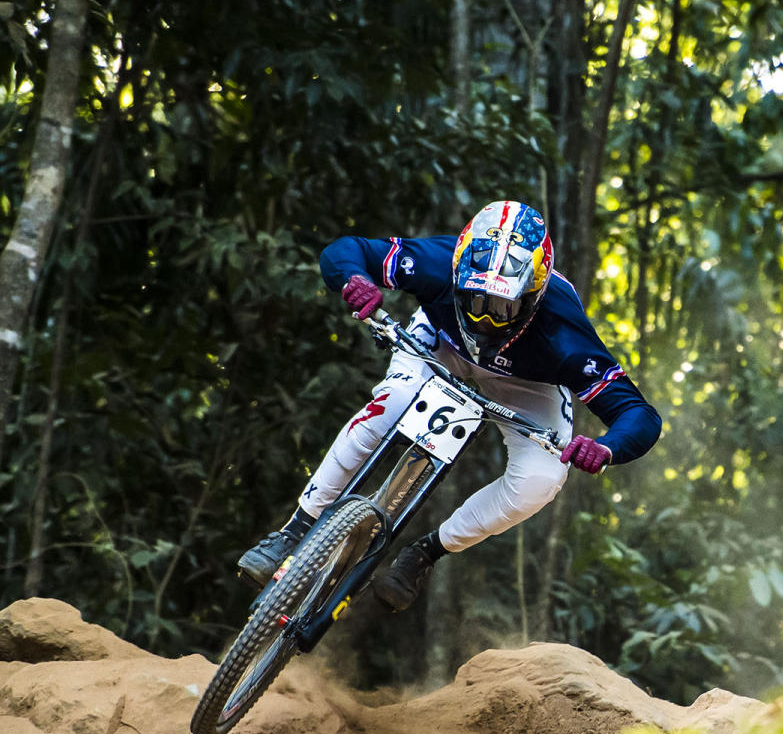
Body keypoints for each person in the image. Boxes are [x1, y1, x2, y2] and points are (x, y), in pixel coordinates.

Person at [237, 199, 661, 611]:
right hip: (441, 342)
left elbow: (638, 414)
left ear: (534, 297)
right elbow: (347, 251)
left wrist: (606, 448)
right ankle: (294, 531)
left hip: (527, 378)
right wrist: (353, 279)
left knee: (542, 479)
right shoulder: (437, 261)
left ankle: (425, 552)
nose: (486, 319)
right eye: (476, 299)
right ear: (457, 270)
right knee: (394, 400)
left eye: (503, 307)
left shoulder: (564, 332)